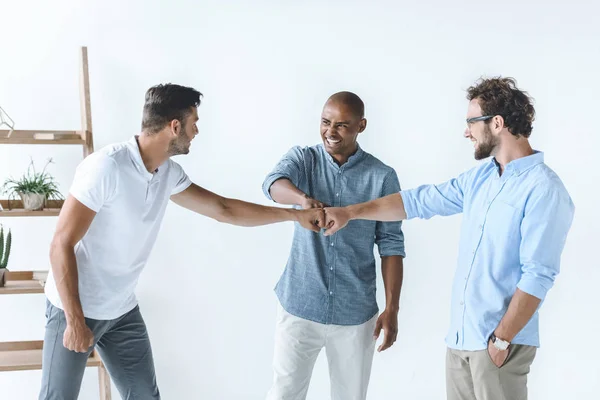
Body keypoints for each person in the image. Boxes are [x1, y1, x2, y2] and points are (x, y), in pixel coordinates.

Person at [39, 83, 326, 400]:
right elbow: (60, 244)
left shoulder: (167, 173)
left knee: (145, 396)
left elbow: (223, 208)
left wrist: (293, 215)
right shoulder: (105, 167)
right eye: (194, 123)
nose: (197, 131)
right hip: (75, 305)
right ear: (174, 127)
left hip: (121, 309)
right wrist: (75, 321)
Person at [323, 78, 575, 400]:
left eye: (472, 122)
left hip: (499, 345)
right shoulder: (482, 177)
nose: (466, 132)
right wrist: (351, 212)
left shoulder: (544, 189)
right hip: (461, 340)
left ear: (497, 123)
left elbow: (539, 275)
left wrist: (500, 340)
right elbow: (419, 201)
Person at [262, 92, 406, 400]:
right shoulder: (305, 159)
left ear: (361, 125)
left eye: (342, 125)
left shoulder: (382, 177)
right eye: (326, 122)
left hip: (354, 314)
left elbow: (391, 245)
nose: (331, 132)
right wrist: (302, 201)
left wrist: (392, 308)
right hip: (299, 305)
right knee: (284, 394)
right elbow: (273, 184)